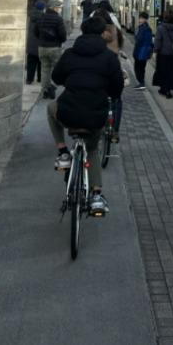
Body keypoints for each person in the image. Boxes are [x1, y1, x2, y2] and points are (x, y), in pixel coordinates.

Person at [48, 16, 123, 216]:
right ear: (102, 34)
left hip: (68, 111)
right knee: (91, 150)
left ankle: (63, 151)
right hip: (95, 114)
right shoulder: (109, 57)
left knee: (50, 108)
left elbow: (56, 77)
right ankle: (96, 194)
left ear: (82, 32)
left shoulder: (70, 54)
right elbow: (117, 88)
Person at [94, 8, 128, 142]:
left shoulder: (94, 32)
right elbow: (121, 47)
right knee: (116, 100)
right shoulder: (116, 31)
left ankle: (97, 126)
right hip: (114, 69)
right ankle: (115, 131)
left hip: (98, 71)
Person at [35, 0, 67, 99]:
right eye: (58, 7)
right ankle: (52, 86)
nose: (59, 9)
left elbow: (35, 32)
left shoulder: (41, 17)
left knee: (45, 69)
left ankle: (45, 90)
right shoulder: (58, 19)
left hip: (42, 47)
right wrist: (60, 41)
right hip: (54, 47)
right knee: (57, 69)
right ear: (53, 8)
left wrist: (42, 40)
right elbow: (62, 34)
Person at [153, 9, 173, 98]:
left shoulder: (160, 28)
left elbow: (158, 41)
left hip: (162, 54)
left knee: (162, 72)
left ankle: (163, 89)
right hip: (172, 55)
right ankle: (168, 90)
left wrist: (155, 51)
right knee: (170, 73)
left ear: (165, 18)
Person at [133, 11, 154, 92]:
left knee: (138, 68)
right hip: (142, 52)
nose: (140, 20)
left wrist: (136, 34)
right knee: (140, 68)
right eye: (140, 18)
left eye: (141, 18)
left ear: (145, 19)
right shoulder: (145, 28)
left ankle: (141, 84)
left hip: (141, 52)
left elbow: (139, 39)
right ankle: (141, 83)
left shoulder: (144, 28)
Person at [26, 0, 44, 84]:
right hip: (41, 43)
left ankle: (29, 79)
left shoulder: (31, 16)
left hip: (31, 44)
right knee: (41, 63)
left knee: (31, 63)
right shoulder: (43, 17)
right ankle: (40, 78)